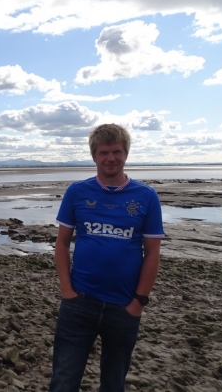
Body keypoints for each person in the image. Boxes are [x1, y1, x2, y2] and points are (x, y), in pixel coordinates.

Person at [49, 124, 164, 392]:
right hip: (79, 303)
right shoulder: (77, 192)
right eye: (104, 152)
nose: (110, 158)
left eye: (116, 151)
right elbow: (62, 243)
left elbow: (153, 252)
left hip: (124, 306)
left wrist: (139, 302)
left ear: (126, 154)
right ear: (94, 156)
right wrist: (67, 291)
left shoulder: (146, 196)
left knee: (113, 384)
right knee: (64, 381)